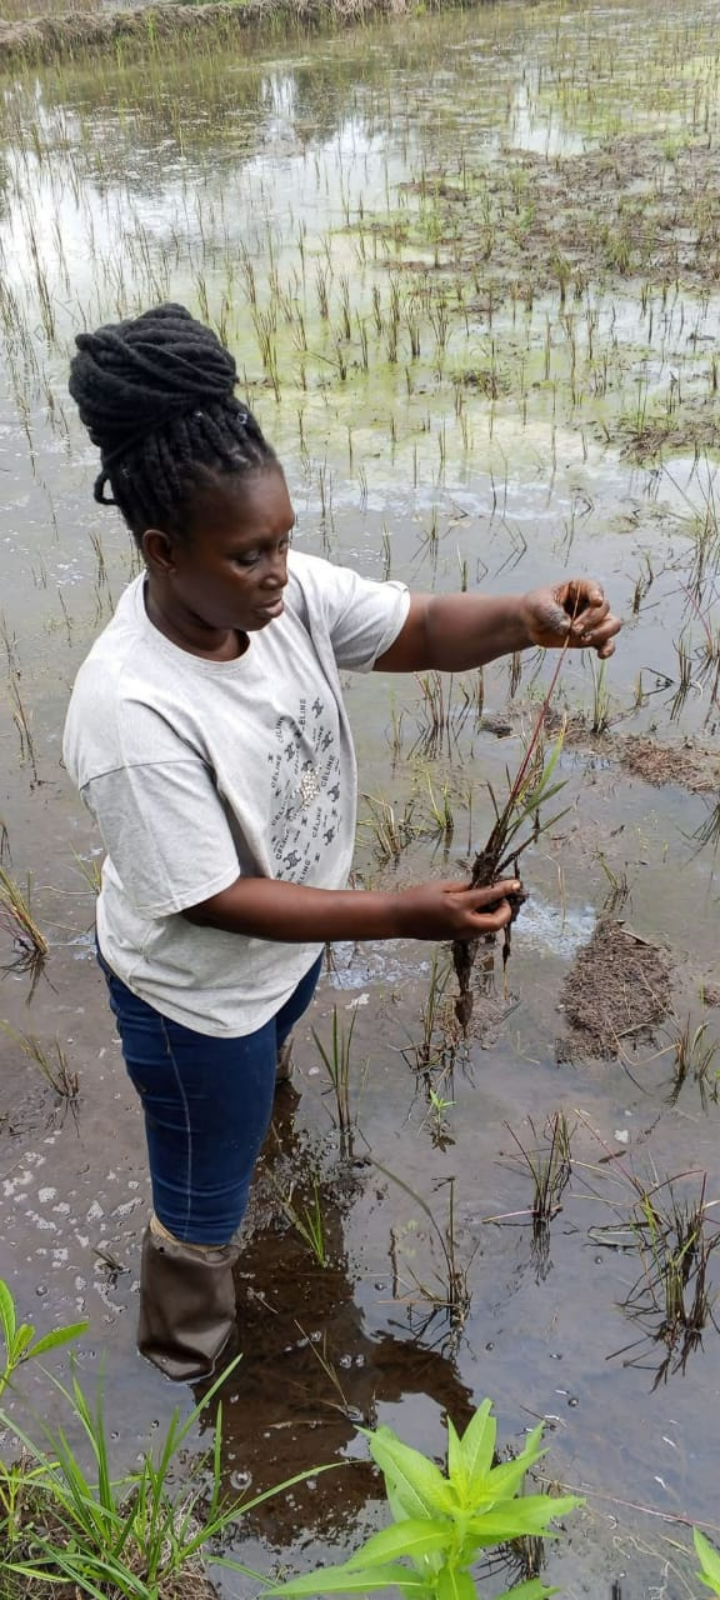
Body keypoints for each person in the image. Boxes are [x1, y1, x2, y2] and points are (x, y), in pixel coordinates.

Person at [63, 303, 621, 1382]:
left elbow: (418, 629)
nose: (279, 569)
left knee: (259, 1091)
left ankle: (260, 1138)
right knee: (201, 1196)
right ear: (162, 552)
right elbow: (211, 896)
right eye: (250, 555)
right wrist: (403, 914)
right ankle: (188, 1367)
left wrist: (526, 616)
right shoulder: (131, 709)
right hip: (196, 1000)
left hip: (286, 956)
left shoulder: (281, 598)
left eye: (283, 541)